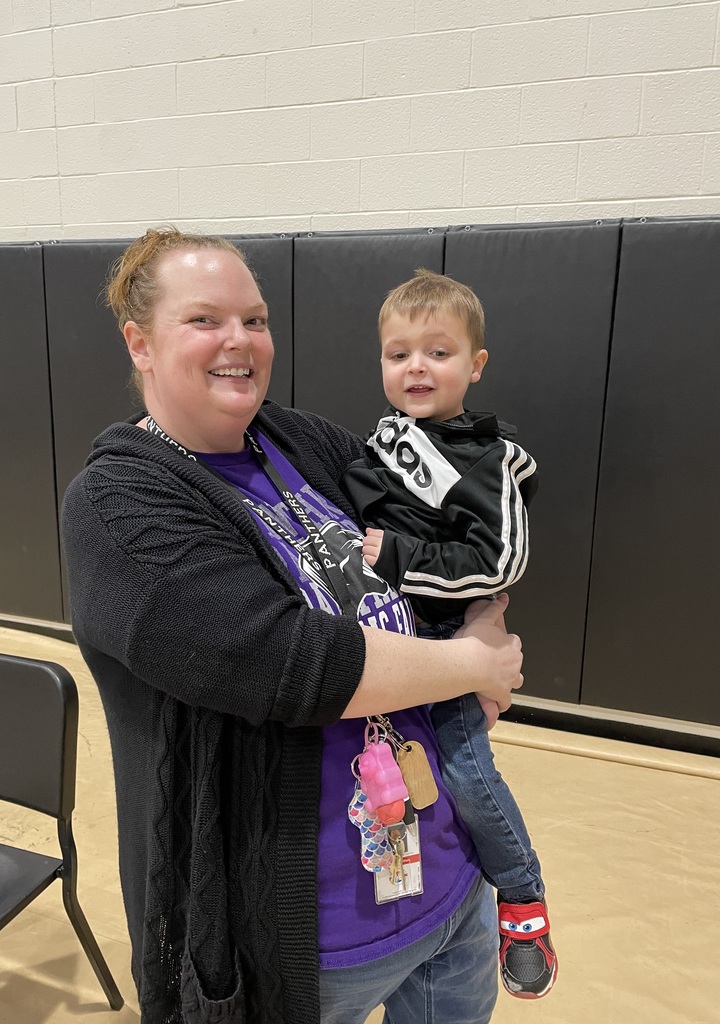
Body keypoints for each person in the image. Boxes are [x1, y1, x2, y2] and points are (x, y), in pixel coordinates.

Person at [60, 228, 524, 1024]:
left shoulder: (296, 440)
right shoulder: (118, 506)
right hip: (305, 948)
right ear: (139, 342)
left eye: (257, 319)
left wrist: (481, 619)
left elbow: (459, 536)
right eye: (205, 320)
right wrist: (473, 668)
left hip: (450, 887)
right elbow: (289, 664)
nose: (240, 341)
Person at [341, 269, 557, 999]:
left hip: (447, 645)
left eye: (437, 352)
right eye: (399, 353)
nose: (416, 368)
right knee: (388, 778)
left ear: (476, 364)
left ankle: (522, 900)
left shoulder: (489, 460)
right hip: (382, 646)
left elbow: (501, 562)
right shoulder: (374, 449)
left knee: (464, 769)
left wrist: (403, 561)